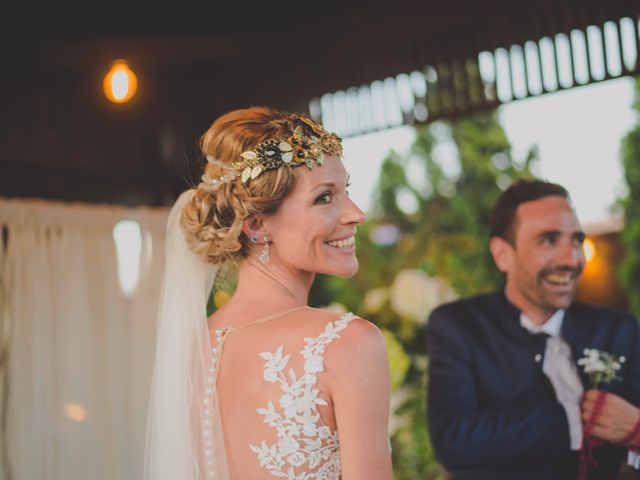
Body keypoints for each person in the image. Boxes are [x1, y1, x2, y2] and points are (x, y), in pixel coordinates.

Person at [144, 107, 393, 480]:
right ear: (257, 224)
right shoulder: (348, 344)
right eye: (324, 198)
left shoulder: (190, 349)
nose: (356, 213)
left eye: (347, 191)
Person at [426, 179, 640, 479]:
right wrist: (571, 417)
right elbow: (453, 440)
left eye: (576, 240)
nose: (572, 258)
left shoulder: (619, 329)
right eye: (549, 240)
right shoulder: (460, 326)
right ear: (503, 254)